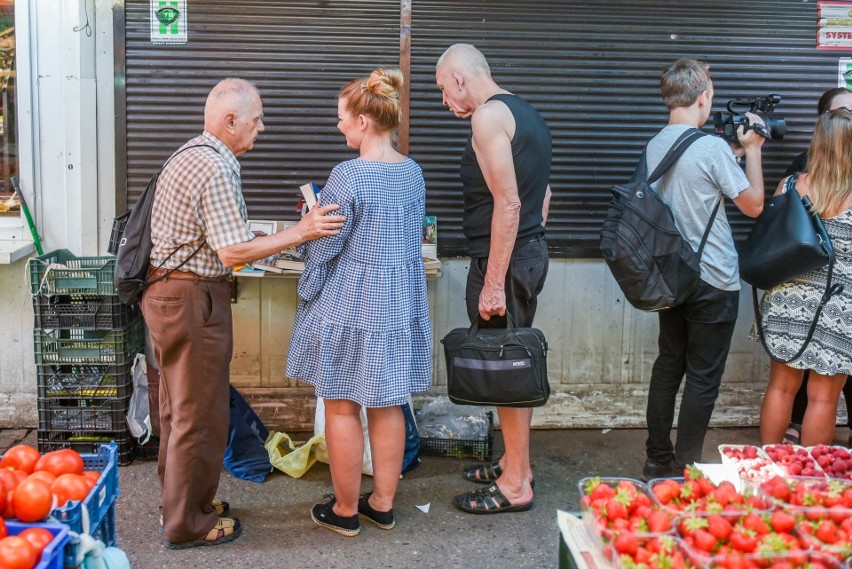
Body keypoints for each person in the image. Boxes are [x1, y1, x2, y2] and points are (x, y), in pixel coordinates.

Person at [142, 77, 345, 549]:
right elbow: (232, 251)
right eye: (256, 120)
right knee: (200, 415)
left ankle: (182, 504)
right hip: (190, 300)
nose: (263, 128)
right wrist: (303, 231)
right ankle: (187, 524)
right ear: (229, 120)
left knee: (179, 410)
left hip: (170, 294)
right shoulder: (215, 167)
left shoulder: (191, 152)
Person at [286, 68, 431, 536]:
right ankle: (382, 504)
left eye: (342, 118)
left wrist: (306, 227)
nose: (339, 126)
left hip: (349, 305)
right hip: (395, 306)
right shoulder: (413, 173)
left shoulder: (347, 176)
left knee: (342, 404)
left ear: (365, 120)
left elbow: (325, 245)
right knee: (388, 402)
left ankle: (346, 510)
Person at [435, 43, 551, 514]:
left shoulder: (487, 118)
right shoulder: (526, 113)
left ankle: (516, 484)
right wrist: (527, 249)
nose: (444, 101)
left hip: (503, 259)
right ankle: (512, 464)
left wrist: (495, 280)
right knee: (513, 366)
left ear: (461, 79)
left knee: (505, 372)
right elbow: (544, 196)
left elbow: (510, 204)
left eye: (444, 90)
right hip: (527, 251)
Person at [642, 58, 765, 481]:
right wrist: (751, 151)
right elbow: (753, 204)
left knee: (668, 365)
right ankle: (685, 467)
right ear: (703, 97)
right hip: (713, 277)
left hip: (672, 276)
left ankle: (657, 457)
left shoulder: (656, 143)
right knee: (703, 377)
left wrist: (728, 153)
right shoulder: (711, 148)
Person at [758, 108, 852, 447]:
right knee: (823, 398)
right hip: (837, 304)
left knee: (781, 386)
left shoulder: (789, 184)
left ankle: (768, 465)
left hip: (787, 299)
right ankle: (810, 480)